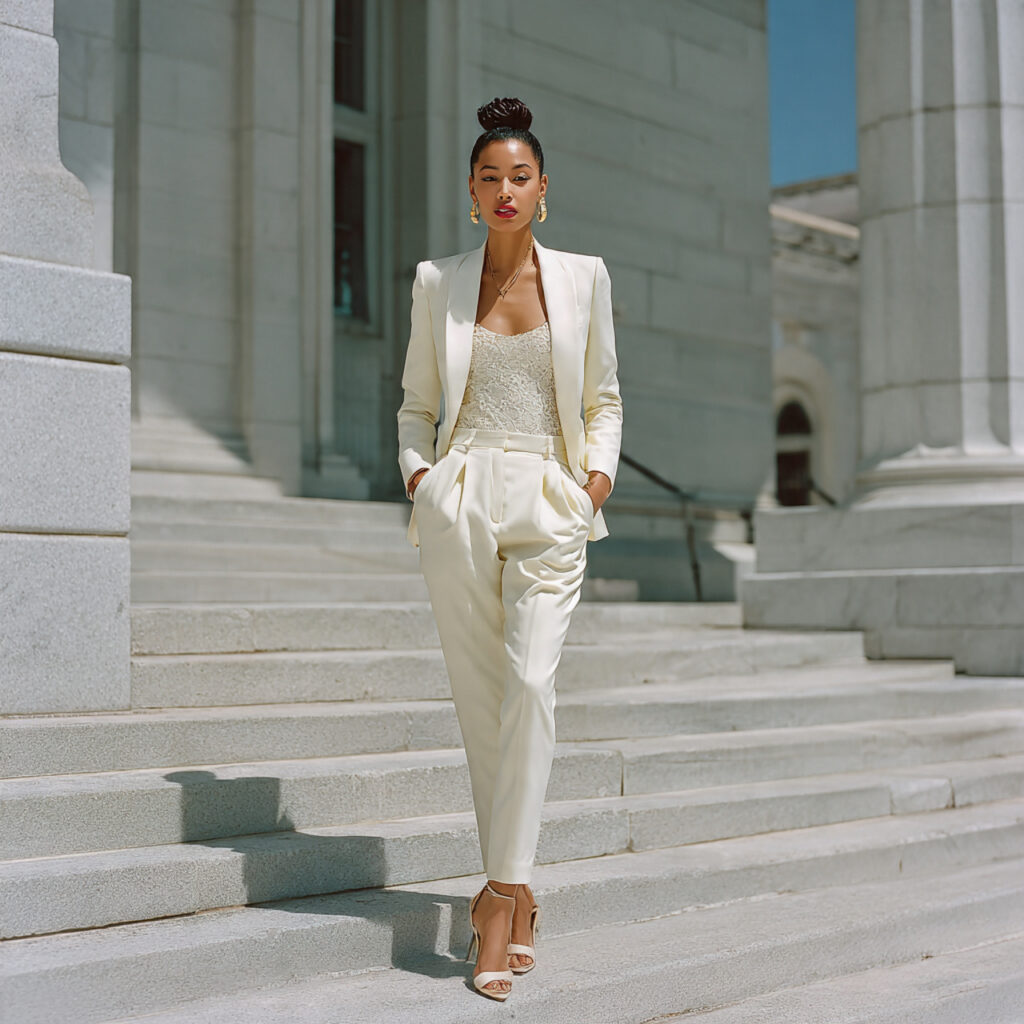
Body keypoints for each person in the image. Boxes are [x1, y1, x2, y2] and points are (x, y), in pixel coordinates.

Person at [396, 95, 623, 1001]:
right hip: (460, 498)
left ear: (542, 189)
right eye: (489, 176)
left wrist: (591, 485)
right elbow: (416, 404)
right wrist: (424, 479)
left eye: (518, 177)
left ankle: (497, 897)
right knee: (481, 696)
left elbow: (603, 398)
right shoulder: (435, 282)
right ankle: (517, 892)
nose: (504, 189)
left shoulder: (584, 278)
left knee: (530, 684)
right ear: (471, 188)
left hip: (549, 496)